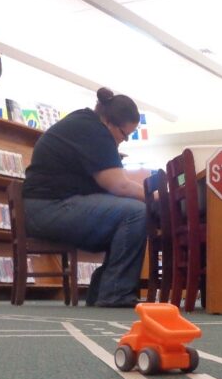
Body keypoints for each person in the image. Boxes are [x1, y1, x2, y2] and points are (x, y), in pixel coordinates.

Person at [21, 87, 149, 308]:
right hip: (47, 209)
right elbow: (118, 185)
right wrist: (155, 197)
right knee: (136, 213)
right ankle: (115, 294)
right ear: (109, 122)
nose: (124, 141)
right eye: (124, 134)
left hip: (41, 208)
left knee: (124, 219)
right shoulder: (94, 131)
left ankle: (103, 291)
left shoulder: (85, 123)